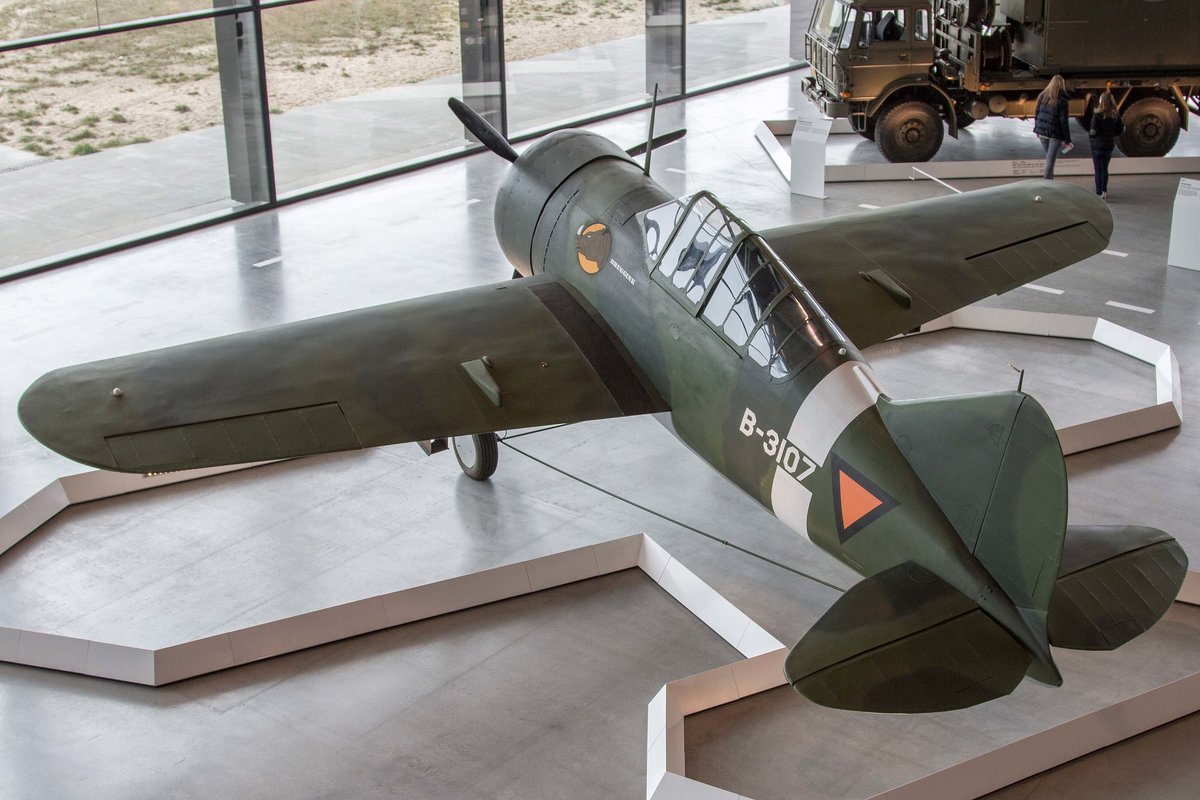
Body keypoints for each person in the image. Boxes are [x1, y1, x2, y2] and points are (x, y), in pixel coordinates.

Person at [1033, 74, 1072, 179]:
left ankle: (1050, 181)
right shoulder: (1062, 100)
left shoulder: (1042, 96)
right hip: (1055, 134)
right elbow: (1064, 121)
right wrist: (1067, 139)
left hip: (1042, 134)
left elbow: (1037, 114)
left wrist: (1037, 129)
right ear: (1062, 85)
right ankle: (1047, 183)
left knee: (1049, 159)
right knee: (1050, 160)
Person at [1089, 91, 1124, 199]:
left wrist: (1092, 137)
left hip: (1097, 145)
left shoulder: (1097, 114)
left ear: (1101, 101)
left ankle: (1098, 192)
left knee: (1098, 170)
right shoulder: (1115, 115)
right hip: (1109, 144)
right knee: (1105, 168)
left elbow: (1093, 131)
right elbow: (1120, 130)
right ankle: (1104, 190)